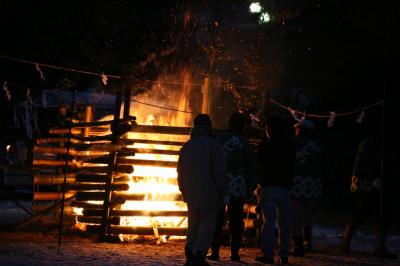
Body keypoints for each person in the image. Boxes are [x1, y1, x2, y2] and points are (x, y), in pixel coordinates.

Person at [177, 114, 228, 266]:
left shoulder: (187, 146)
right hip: (210, 194)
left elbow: (180, 173)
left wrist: (184, 191)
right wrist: (224, 191)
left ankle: (190, 252)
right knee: (206, 227)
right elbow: (219, 172)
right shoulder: (214, 146)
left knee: (192, 225)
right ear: (209, 127)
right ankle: (199, 255)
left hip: (192, 194)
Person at [207, 112, 259, 262]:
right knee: (236, 220)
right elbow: (252, 166)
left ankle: (215, 251)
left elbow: (213, 163)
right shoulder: (244, 143)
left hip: (220, 185)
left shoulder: (220, 140)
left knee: (217, 219)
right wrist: (251, 185)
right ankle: (234, 253)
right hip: (238, 187)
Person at [341, 125, 398, 259]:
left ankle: (379, 247)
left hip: (380, 185)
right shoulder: (368, 142)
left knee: (384, 217)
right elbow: (362, 162)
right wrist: (371, 178)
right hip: (366, 185)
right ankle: (345, 243)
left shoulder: (385, 143)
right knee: (360, 214)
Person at [255, 116, 296, 264]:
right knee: (284, 223)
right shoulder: (290, 145)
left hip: (269, 186)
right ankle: (284, 254)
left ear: (269, 129)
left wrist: (258, 184)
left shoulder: (266, 145)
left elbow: (258, 165)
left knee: (269, 222)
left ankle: (267, 254)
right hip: (285, 187)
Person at [291, 119, 331, 256]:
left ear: (301, 129)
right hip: (314, 185)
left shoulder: (293, 143)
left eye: (297, 128)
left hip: (296, 184)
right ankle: (307, 242)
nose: (295, 130)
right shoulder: (320, 145)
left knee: (295, 216)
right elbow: (327, 166)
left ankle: (298, 245)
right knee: (308, 215)